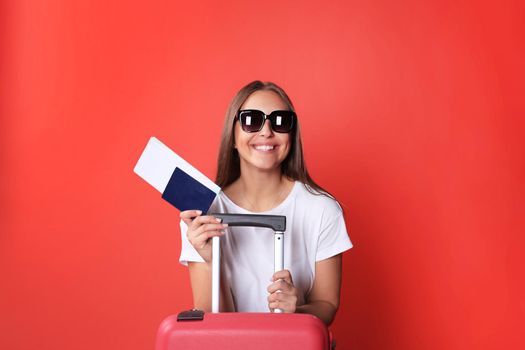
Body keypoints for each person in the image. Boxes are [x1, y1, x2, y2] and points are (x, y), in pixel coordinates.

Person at [179, 81, 352, 325]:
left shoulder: (322, 209)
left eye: (280, 121)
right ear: (233, 135)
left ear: (291, 135)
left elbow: (328, 304)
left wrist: (298, 311)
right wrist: (211, 261)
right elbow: (212, 322)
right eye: (252, 120)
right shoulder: (204, 211)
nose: (266, 132)